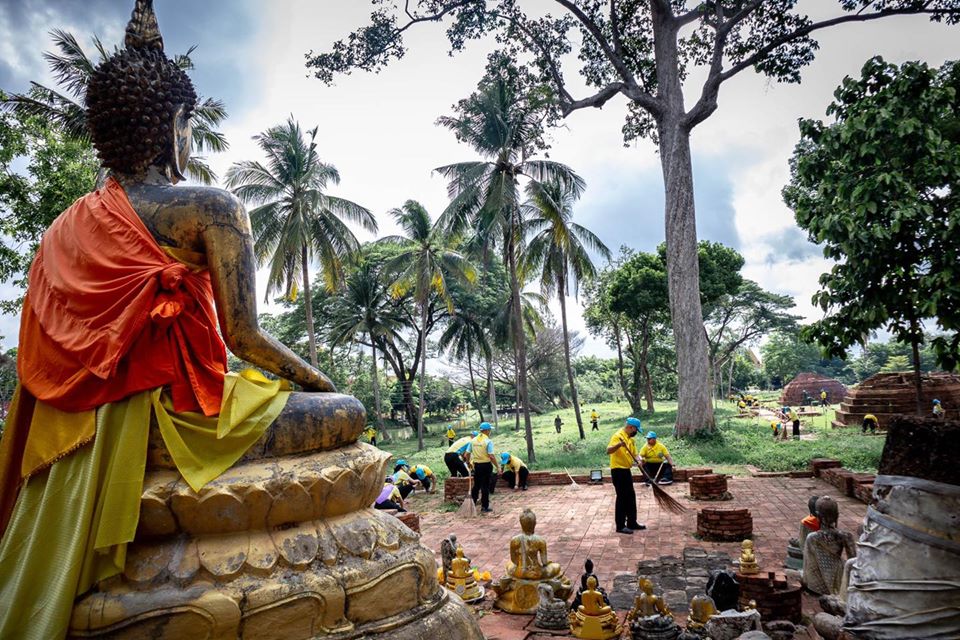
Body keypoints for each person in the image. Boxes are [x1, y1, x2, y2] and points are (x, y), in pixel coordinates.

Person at [605, 417, 646, 534]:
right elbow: (608, 450)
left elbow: (635, 454)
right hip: (618, 471)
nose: (636, 433)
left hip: (626, 470)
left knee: (631, 497)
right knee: (622, 498)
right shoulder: (618, 436)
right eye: (636, 430)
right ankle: (620, 526)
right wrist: (619, 445)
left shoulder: (630, 439)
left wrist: (640, 460)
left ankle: (632, 522)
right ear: (631, 427)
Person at [467, 422, 500, 513]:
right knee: (485, 486)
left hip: (477, 466)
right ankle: (484, 506)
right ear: (487, 431)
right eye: (489, 430)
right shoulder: (488, 441)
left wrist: (468, 462)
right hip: (486, 465)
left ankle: (472, 503)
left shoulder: (473, 440)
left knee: (476, 485)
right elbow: (491, 456)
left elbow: (467, 453)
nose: (490, 432)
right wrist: (497, 466)